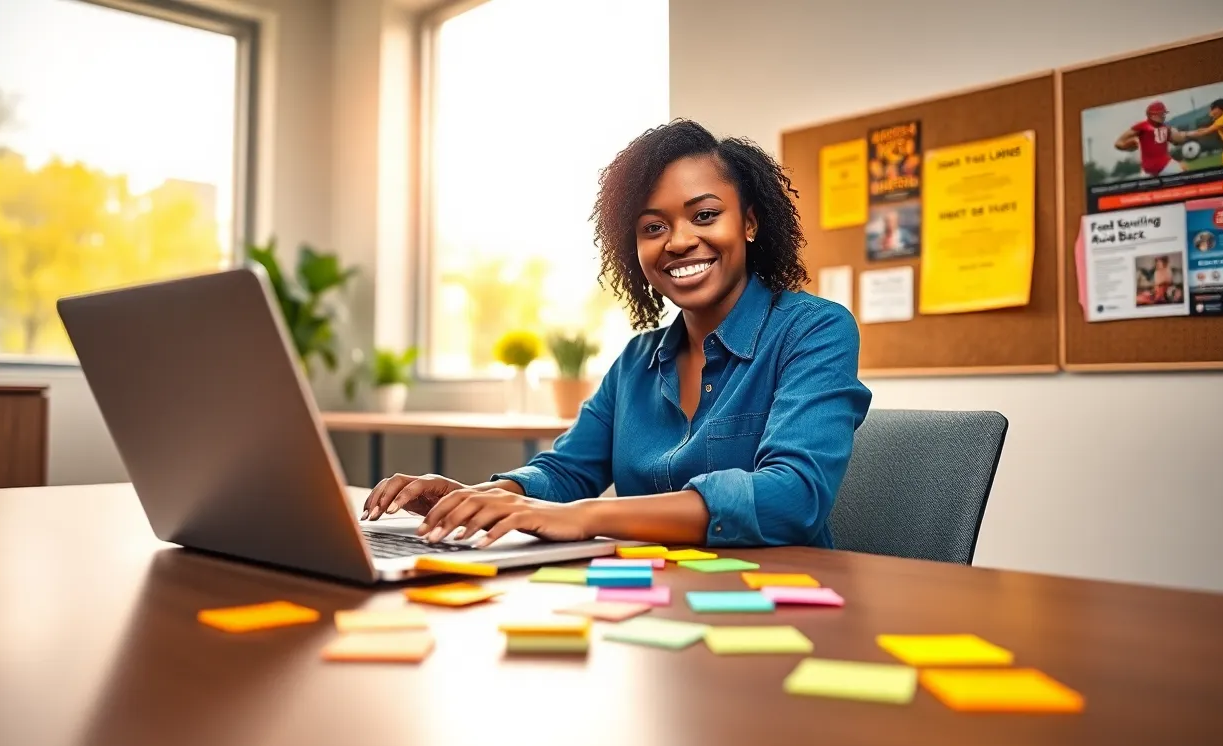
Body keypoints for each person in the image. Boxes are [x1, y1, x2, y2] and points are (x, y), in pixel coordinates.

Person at [363, 120, 872, 549]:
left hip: (780, 600)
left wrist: (586, 517)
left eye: (705, 215)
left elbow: (794, 496)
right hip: (650, 598)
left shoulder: (814, 330)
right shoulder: (637, 361)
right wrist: (476, 497)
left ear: (750, 223)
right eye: (653, 227)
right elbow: (565, 473)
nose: (679, 241)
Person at [1115, 100, 1187, 177]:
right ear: (1151, 115)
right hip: (1148, 171)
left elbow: (1178, 140)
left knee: (1185, 172)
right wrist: (1127, 146)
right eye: (1159, 114)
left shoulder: (1165, 128)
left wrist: (1179, 137)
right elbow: (1119, 143)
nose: (1162, 116)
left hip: (1165, 166)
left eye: (1163, 113)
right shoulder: (1142, 126)